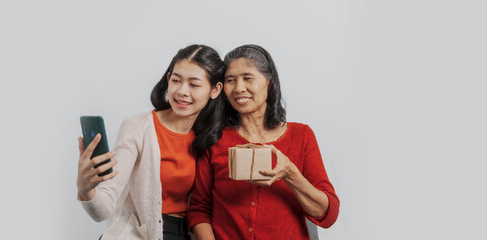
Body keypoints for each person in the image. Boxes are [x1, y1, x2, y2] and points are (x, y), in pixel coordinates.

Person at [187, 44, 340, 240]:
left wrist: (290, 173)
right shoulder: (215, 139)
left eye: (248, 78)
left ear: (268, 82)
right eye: (230, 80)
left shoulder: (301, 135)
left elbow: (328, 215)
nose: (239, 88)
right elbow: (200, 209)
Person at [76, 44, 225, 240]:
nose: (182, 91)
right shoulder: (138, 127)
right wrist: (86, 189)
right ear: (168, 79)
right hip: (137, 234)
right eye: (176, 80)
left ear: (215, 90)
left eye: (194, 84)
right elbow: (103, 209)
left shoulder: (214, 138)